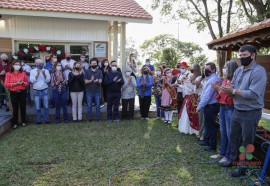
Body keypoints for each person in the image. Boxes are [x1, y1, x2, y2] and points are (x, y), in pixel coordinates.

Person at [219, 45, 267, 177]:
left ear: (253, 55)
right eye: (240, 56)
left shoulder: (259, 71)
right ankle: (233, 160)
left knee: (247, 141)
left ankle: (243, 167)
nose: (241, 58)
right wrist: (225, 88)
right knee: (233, 137)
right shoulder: (239, 70)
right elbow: (234, 84)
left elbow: (253, 93)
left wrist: (233, 91)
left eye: (244, 56)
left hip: (251, 111)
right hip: (237, 109)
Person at [211, 60, 238, 164]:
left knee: (229, 132)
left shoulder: (235, 80)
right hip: (222, 106)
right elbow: (221, 94)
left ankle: (227, 156)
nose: (224, 68)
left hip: (230, 107)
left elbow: (231, 94)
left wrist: (219, 89)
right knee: (223, 132)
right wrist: (217, 89)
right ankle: (222, 153)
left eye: (226, 67)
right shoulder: (225, 79)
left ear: (231, 68)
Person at [196, 62, 221, 152]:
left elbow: (207, 95)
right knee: (207, 125)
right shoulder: (209, 78)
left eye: (207, 69)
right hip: (209, 105)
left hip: (211, 105)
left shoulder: (213, 79)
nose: (205, 70)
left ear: (213, 69)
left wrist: (200, 106)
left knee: (210, 126)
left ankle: (212, 146)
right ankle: (206, 141)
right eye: (205, 68)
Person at [4, 61, 29, 129]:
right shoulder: (8, 74)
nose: (18, 66)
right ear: (13, 66)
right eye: (16, 64)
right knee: (15, 108)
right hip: (14, 93)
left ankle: (23, 122)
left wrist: (23, 82)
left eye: (19, 65)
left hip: (22, 92)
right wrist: (16, 83)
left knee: (23, 107)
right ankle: (15, 123)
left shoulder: (23, 73)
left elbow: (27, 83)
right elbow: (6, 84)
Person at [178, 64, 201, 134]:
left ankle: (193, 129)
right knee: (186, 112)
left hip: (194, 97)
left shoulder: (199, 77)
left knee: (193, 113)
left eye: (192, 68)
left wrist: (187, 82)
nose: (191, 69)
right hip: (188, 97)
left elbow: (194, 88)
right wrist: (184, 81)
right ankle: (186, 128)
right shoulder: (191, 76)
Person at [30, 58, 51, 124]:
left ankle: (46, 120)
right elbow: (32, 81)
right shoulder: (33, 71)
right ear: (36, 64)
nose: (41, 65)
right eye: (39, 64)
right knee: (37, 107)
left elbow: (48, 81)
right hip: (36, 91)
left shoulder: (46, 70)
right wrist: (37, 74)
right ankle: (39, 120)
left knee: (46, 106)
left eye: (42, 64)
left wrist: (44, 74)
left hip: (44, 90)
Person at [84, 58, 103, 122]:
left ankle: (98, 118)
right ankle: (90, 119)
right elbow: (85, 82)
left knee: (98, 106)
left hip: (97, 91)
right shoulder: (87, 71)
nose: (94, 64)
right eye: (93, 63)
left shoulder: (99, 71)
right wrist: (91, 80)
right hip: (89, 91)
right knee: (89, 106)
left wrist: (97, 81)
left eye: (95, 63)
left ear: (97, 64)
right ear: (90, 64)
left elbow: (100, 81)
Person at [194, 68, 208, 142]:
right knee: (200, 118)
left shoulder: (210, 79)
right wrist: (197, 85)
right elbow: (195, 91)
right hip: (200, 99)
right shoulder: (199, 78)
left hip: (208, 100)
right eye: (204, 69)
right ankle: (200, 132)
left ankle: (203, 134)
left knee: (205, 118)